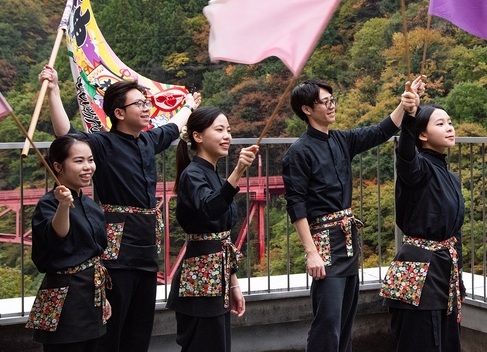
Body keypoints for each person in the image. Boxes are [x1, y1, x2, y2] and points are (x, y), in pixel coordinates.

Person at [40, 66, 200, 352]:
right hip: (116, 245)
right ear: (119, 113)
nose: (146, 107)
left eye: (146, 102)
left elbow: (174, 126)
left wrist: (188, 105)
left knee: (140, 326)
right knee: (113, 326)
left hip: (146, 245)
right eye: (139, 103)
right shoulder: (102, 143)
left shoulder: (149, 140)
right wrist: (53, 91)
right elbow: (65, 134)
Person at [282, 77, 422, 352]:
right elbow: (296, 205)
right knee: (328, 320)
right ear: (307, 109)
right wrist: (311, 253)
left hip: (347, 239)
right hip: (324, 240)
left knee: (346, 319)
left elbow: (380, 131)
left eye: (332, 100)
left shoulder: (340, 139)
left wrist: (405, 103)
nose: (332, 106)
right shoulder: (298, 152)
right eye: (325, 102)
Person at [165, 107, 258, 352]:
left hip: (216, 277)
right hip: (200, 280)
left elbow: (222, 239)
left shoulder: (213, 175)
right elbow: (210, 208)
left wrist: (234, 284)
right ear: (197, 136)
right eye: (219, 130)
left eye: (228, 130)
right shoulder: (192, 174)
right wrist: (238, 172)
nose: (227, 136)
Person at [382, 103, 465, 352]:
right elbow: (405, 151)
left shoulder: (452, 178)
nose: (449, 128)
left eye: (449, 122)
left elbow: (455, 234)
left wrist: (459, 278)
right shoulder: (416, 168)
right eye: (440, 124)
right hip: (418, 269)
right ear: (422, 134)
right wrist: (409, 115)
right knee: (421, 341)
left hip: (444, 268)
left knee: (447, 340)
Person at [28, 135, 112, 351]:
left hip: (91, 293)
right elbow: (57, 237)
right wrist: (63, 206)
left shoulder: (90, 204)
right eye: (78, 161)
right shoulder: (48, 204)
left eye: (90, 160)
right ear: (58, 166)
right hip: (64, 297)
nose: (87, 167)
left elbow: (96, 254)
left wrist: (103, 295)